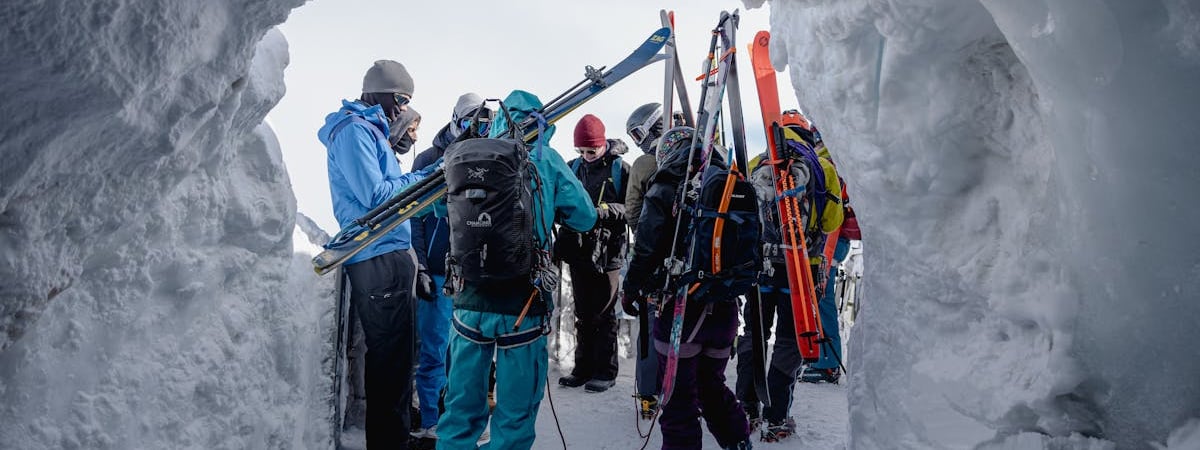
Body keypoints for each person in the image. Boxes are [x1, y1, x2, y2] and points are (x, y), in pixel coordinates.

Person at [438, 90, 597, 450]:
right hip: (522, 303)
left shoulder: (466, 156)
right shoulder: (547, 160)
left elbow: (435, 210)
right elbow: (585, 218)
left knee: (460, 408)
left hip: (469, 299)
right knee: (515, 411)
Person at [317, 59, 431, 449]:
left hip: (391, 251)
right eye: (400, 98)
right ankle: (388, 443)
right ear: (377, 91)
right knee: (388, 358)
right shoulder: (353, 132)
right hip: (375, 254)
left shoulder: (372, 132)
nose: (402, 108)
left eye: (407, 100)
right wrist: (430, 178)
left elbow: (389, 187)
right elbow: (376, 199)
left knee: (400, 357)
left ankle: (396, 436)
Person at [621, 126, 753, 450]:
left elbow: (647, 245)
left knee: (678, 398)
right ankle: (739, 443)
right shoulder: (728, 184)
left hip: (682, 310)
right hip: (724, 308)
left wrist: (632, 288)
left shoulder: (667, 185)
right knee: (712, 388)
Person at [408, 92, 489, 440]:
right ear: (456, 120)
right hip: (439, 271)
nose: (477, 130)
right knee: (435, 348)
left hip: (470, 273)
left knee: (467, 351)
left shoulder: (486, 159)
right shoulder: (429, 159)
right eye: (472, 121)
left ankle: (458, 421)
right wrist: (421, 267)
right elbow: (414, 218)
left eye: (483, 124)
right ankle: (430, 418)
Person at [554, 114, 630, 393]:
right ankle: (582, 368)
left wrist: (605, 211)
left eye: (591, 150)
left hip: (609, 249)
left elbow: (633, 207)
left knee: (605, 312)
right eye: (581, 151)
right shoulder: (573, 167)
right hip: (579, 248)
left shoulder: (621, 169)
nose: (586, 156)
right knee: (583, 312)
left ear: (602, 144)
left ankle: (606, 371)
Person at [734, 154, 806, 442]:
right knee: (789, 340)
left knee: (754, 334)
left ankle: (747, 406)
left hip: (760, 265)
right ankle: (776, 417)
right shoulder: (819, 168)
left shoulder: (757, 162)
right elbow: (831, 221)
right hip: (799, 270)